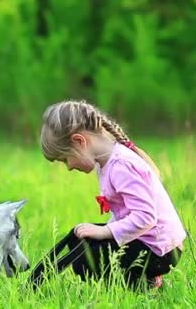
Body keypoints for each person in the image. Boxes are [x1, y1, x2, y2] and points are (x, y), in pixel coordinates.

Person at [28, 99, 186, 290]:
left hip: (161, 248)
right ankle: (140, 283)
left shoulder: (121, 165)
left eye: (65, 159)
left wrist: (104, 232)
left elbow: (146, 217)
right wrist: (102, 231)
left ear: (80, 141)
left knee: (88, 260)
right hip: (148, 240)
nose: (68, 167)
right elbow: (126, 212)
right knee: (81, 243)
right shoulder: (107, 164)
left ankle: (146, 285)